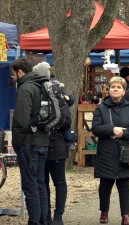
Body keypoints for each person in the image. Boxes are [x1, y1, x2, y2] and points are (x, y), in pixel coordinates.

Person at [92, 76, 129, 225]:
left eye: (118, 87)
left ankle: (126, 215)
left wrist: (122, 133)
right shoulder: (101, 107)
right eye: (113, 87)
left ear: (124, 91)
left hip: (126, 151)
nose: (115, 89)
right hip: (107, 150)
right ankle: (104, 211)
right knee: (106, 184)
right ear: (109, 89)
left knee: (124, 185)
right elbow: (96, 128)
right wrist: (111, 129)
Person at [32, 62, 74, 225]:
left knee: (56, 182)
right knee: (47, 183)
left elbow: (66, 121)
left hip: (55, 144)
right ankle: (49, 215)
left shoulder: (58, 92)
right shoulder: (41, 92)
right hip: (51, 144)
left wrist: (43, 125)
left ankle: (56, 216)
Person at [11, 58, 50, 225]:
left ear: (20, 72)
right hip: (43, 140)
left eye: (13, 74)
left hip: (29, 143)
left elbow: (21, 119)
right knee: (41, 183)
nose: (13, 78)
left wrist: (17, 143)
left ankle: (34, 221)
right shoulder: (42, 85)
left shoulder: (25, 88)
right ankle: (43, 220)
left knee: (30, 185)